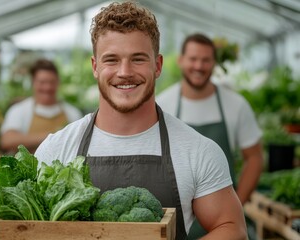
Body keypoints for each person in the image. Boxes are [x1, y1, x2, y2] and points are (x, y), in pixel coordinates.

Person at [35, 2, 247, 239]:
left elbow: (232, 228)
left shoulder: (197, 150)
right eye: (111, 60)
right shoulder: (56, 150)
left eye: (137, 59)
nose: (124, 71)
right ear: (95, 67)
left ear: (157, 66)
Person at [156, 33, 263, 238]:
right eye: (193, 59)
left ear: (214, 63)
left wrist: (236, 205)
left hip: (224, 221)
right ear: (181, 60)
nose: (199, 66)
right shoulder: (162, 105)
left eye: (206, 60)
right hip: (176, 224)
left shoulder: (235, 105)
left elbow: (255, 157)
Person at [0, 58, 83, 154]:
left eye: (52, 82)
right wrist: (55, 136)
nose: (47, 87)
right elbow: (7, 140)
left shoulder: (72, 112)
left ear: (58, 82)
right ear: (33, 83)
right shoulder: (19, 110)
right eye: (42, 82)